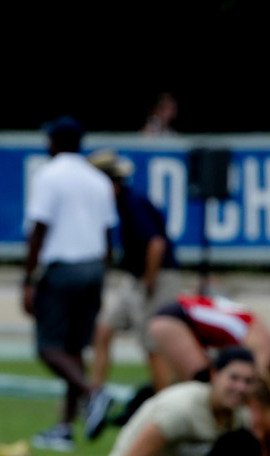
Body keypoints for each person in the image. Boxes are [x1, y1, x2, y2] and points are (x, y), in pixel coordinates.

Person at [22, 115, 118, 452]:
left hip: (63, 266)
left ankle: (93, 394)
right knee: (75, 348)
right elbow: (108, 236)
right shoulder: (99, 179)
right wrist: (101, 272)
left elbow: (39, 230)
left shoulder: (50, 175)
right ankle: (65, 427)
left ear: (55, 143)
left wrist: (28, 279)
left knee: (49, 346)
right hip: (93, 266)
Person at [85, 149, 182, 438]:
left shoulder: (133, 203)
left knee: (154, 345)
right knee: (103, 328)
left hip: (156, 278)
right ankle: (96, 396)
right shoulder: (118, 204)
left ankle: (167, 410)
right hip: (137, 278)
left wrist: (149, 282)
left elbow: (155, 244)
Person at [109, 346, 259, 456]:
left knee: (245, 442)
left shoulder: (240, 416)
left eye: (248, 381)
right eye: (234, 378)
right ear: (214, 375)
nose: (241, 387)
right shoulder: (182, 408)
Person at [147, 293, 270, 388]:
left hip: (177, 316)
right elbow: (257, 381)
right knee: (201, 384)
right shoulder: (262, 345)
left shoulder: (257, 330)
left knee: (207, 384)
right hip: (173, 320)